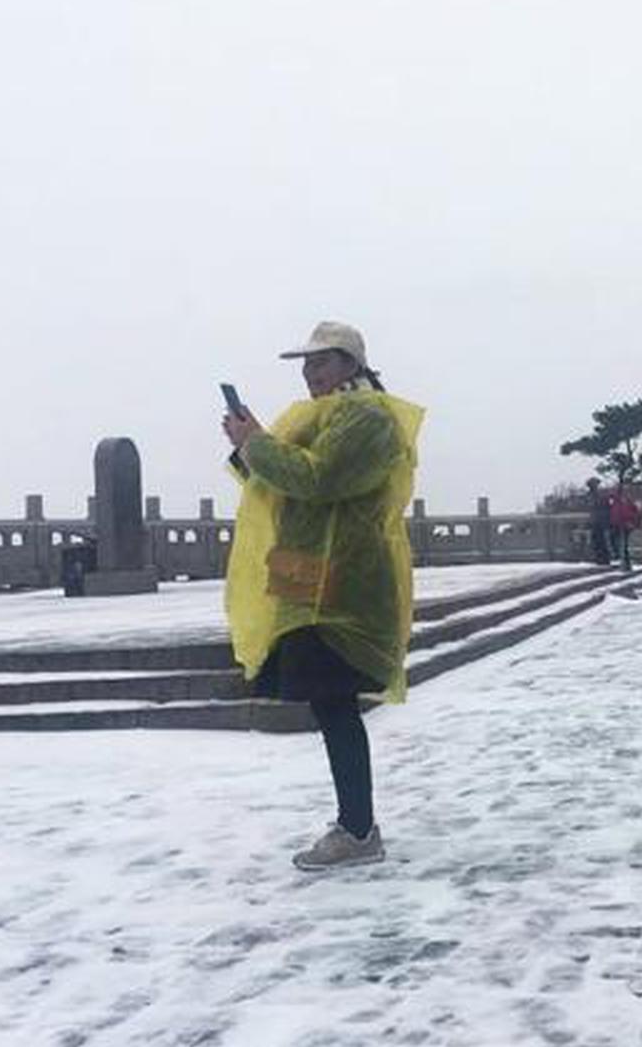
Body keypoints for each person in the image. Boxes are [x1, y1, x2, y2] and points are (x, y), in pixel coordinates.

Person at [221, 320, 422, 871]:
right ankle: (354, 824)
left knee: (334, 702)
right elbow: (283, 483)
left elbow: (318, 480)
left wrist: (256, 443)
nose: (311, 374)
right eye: (306, 365)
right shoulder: (323, 415)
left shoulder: (365, 416)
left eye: (322, 363)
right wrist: (250, 447)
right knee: (327, 702)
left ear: (351, 365)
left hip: (345, 581)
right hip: (310, 572)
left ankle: (358, 829)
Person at [609, 485, 642, 571]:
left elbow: (631, 513)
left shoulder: (624, 502)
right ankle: (624, 562)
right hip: (619, 524)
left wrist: (631, 522)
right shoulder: (618, 502)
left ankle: (625, 563)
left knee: (623, 545)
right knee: (621, 545)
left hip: (624, 525)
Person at [586, 477, 611, 566]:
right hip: (595, 521)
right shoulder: (589, 495)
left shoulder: (601, 495)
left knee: (602, 541)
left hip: (601, 521)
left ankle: (604, 558)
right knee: (596, 541)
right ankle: (599, 558)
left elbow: (606, 508)